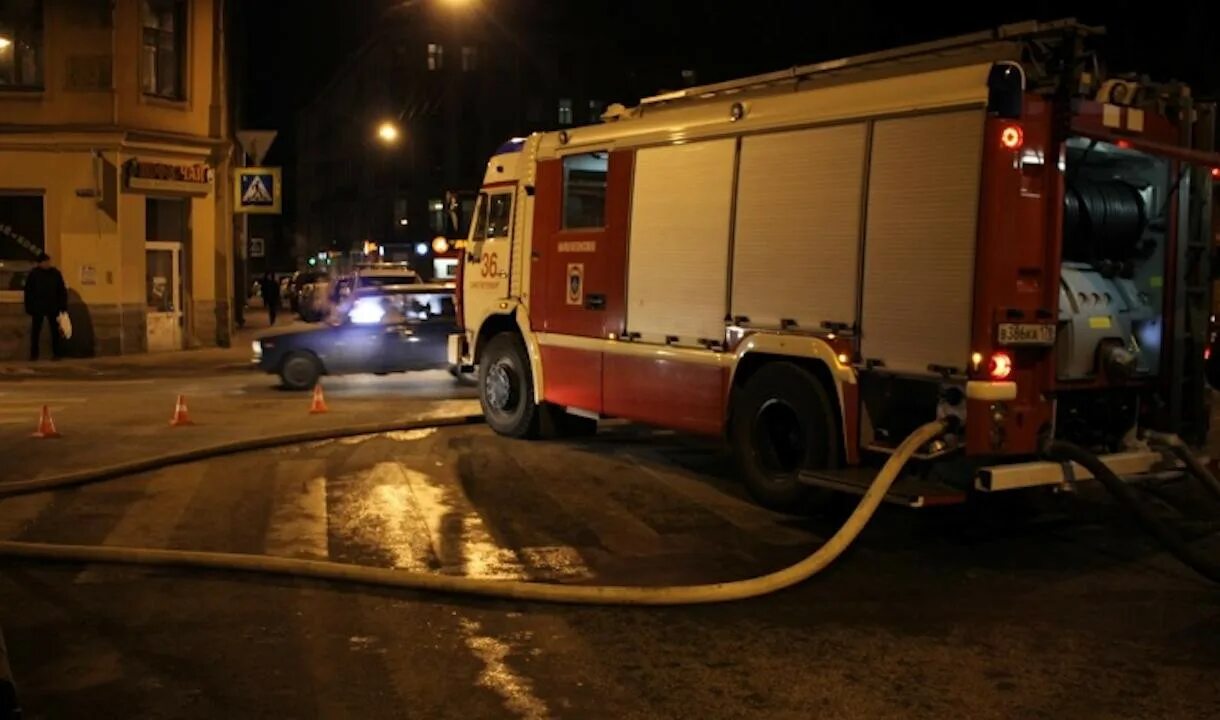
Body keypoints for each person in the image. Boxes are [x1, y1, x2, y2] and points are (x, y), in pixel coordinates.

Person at [23, 252, 67, 361]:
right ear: (40, 263)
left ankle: (57, 353)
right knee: (36, 331)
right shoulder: (34, 274)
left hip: (53, 306)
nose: (47, 264)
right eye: (45, 262)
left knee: (55, 331)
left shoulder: (55, 274)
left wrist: (62, 306)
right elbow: (28, 292)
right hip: (38, 306)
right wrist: (29, 307)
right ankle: (34, 354)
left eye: (48, 261)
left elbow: (61, 290)